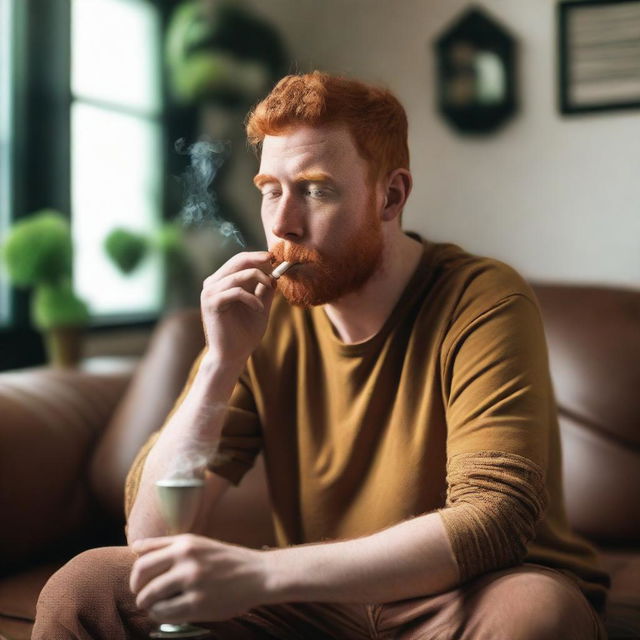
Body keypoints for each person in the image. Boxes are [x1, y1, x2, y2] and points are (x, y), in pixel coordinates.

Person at [34, 71, 609, 639]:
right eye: (270, 191)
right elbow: (153, 535)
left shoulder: (481, 298)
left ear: (391, 195)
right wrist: (219, 365)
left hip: (466, 595)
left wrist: (262, 573)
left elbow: (493, 520)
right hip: (319, 602)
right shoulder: (265, 321)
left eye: (315, 189)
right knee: (88, 586)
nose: (282, 224)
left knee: (536, 612)